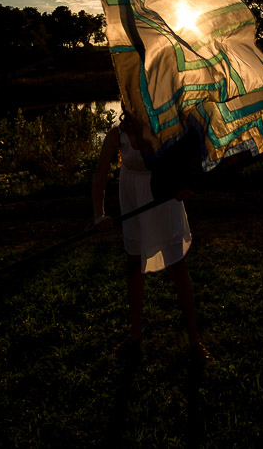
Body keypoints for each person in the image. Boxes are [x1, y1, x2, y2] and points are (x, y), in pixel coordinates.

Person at [92, 109, 210, 363]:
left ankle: (194, 340)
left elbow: (185, 160)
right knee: (134, 265)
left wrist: (183, 186)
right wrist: (99, 215)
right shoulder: (117, 135)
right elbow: (100, 175)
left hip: (163, 199)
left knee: (177, 266)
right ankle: (135, 336)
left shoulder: (165, 126)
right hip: (132, 201)